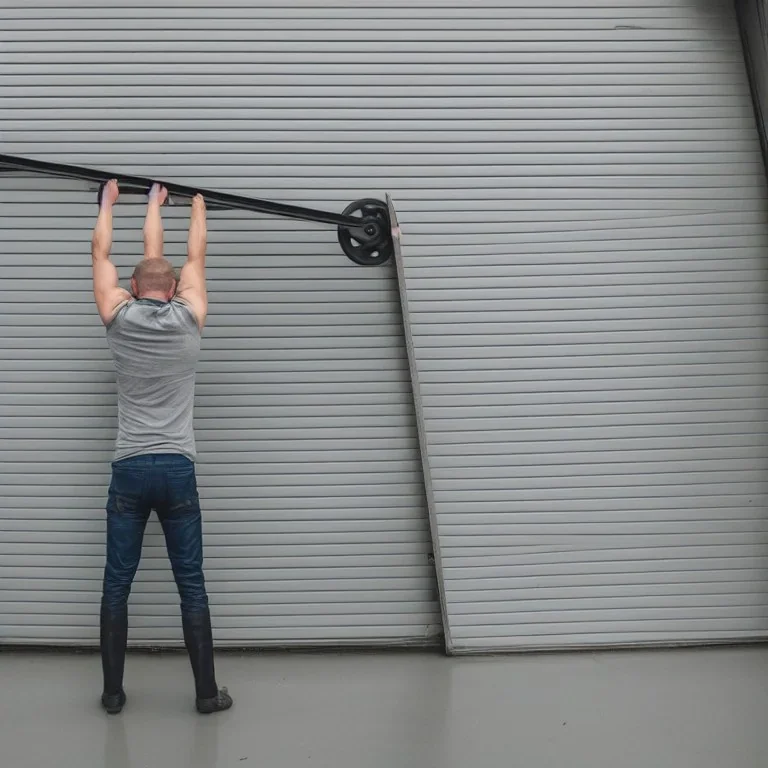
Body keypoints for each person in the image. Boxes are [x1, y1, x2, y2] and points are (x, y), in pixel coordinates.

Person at [90, 179, 232, 715]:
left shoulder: (116, 314)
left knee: (116, 584)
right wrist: (196, 209)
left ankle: (112, 694)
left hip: (129, 467)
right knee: (190, 585)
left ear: (131, 286)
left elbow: (99, 251)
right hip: (177, 468)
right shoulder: (190, 314)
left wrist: (111, 205)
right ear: (173, 289)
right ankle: (204, 695)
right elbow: (190, 254)